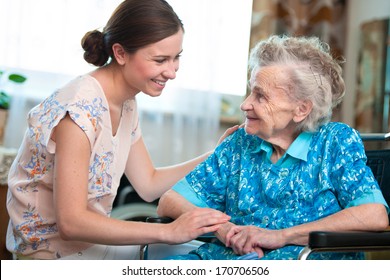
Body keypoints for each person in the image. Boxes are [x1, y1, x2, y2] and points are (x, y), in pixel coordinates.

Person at [6, 0, 234, 260]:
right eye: (160, 59)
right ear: (121, 53)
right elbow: (71, 223)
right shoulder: (79, 111)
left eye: (176, 57)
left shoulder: (125, 102)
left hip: (88, 246)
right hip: (49, 256)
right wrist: (170, 231)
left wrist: (217, 153)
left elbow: (148, 183)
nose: (171, 72)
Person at [157, 35, 390, 260]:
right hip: (225, 259)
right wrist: (224, 229)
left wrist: (280, 236)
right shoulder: (241, 142)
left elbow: (373, 214)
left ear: (301, 109)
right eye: (251, 91)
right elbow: (169, 201)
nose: (245, 104)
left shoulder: (335, 142)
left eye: (261, 96)